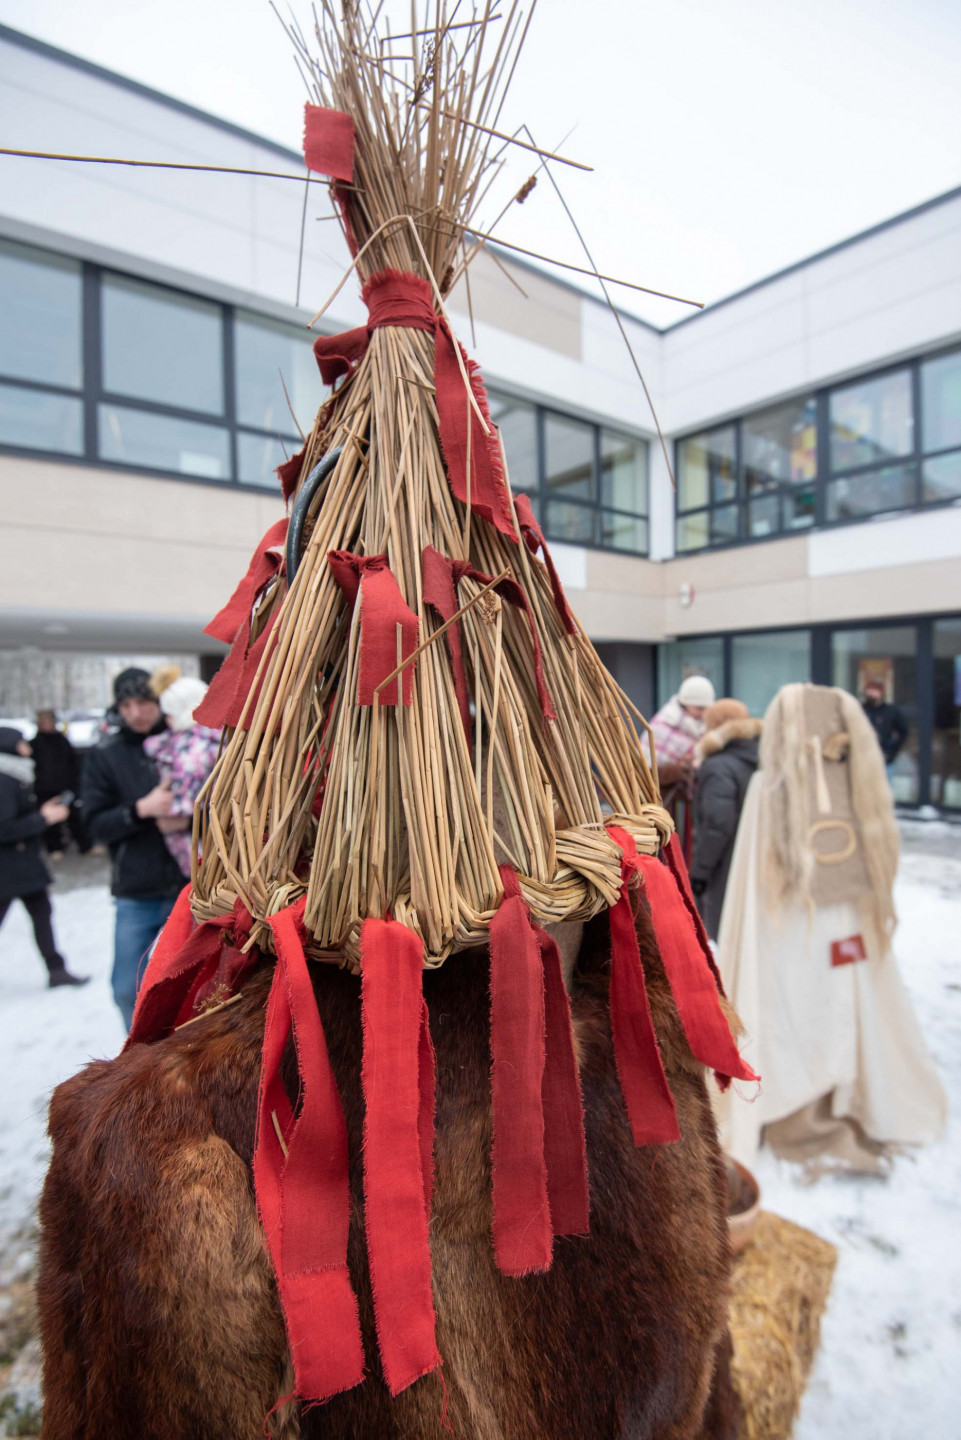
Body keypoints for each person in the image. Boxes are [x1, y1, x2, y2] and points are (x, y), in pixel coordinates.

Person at [714, 682, 945, 1173]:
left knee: (823, 1006)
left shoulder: (834, 791)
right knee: (806, 1007)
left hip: (818, 936)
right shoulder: (774, 790)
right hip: (790, 937)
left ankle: (822, 1099)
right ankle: (802, 1104)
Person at [82, 668, 185, 1029]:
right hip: (136, 893)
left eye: (143, 702)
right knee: (126, 988)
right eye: (126, 704)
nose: (136, 712)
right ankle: (137, 1060)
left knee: (192, 986)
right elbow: (92, 826)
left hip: (189, 888)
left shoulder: (186, 741)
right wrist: (140, 810)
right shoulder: (104, 756)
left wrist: (189, 816)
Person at [0, 726, 87, 987]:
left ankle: (56, 970)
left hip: (22, 866)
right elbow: (5, 827)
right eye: (23, 744)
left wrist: (43, 811)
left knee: (42, 913)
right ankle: (56, 970)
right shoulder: (4, 779)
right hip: (10, 868)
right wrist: (43, 818)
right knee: (39, 913)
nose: (28, 749)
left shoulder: (15, 775)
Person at [689, 699, 762, 941]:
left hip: (727, 869)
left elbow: (717, 826)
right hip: (760, 862)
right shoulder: (765, 758)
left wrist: (699, 872)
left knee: (728, 938)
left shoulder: (719, 766)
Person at [143, 672, 221, 879]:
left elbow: (181, 804)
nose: (167, 721)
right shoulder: (223, 738)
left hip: (197, 850)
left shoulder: (190, 749)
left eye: (169, 714)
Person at [31, 710, 89, 857]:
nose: (46, 724)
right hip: (44, 788)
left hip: (65, 786)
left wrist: (74, 783)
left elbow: (73, 763)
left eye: (48, 720)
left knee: (74, 816)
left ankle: (85, 845)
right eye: (43, 721)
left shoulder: (62, 741)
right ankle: (54, 848)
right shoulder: (34, 744)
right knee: (49, 821)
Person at [861, 680, 908, 779]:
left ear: (881, 693)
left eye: (874, 690)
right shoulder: (860, 709)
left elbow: (903, 732)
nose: (870, 693)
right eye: (868, 690)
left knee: (884, 789)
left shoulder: (891, 711)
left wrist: (891, 753)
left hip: (884, 759)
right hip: (863, 757)